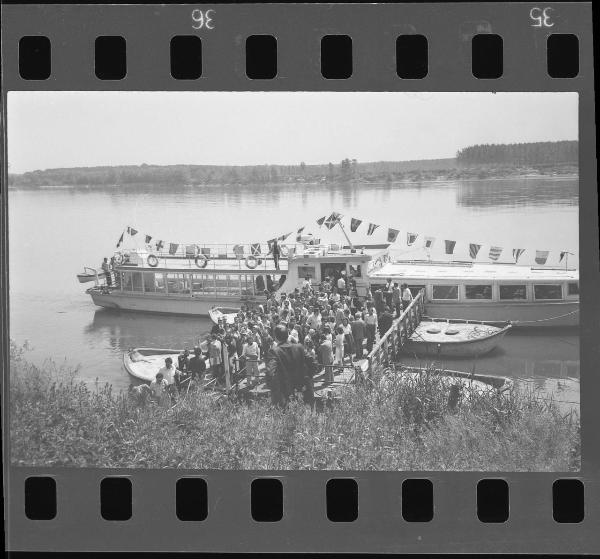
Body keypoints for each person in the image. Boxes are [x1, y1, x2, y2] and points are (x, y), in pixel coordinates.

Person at [265, 324, 317, 408]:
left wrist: (276, 391)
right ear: (288, 335)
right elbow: (313, 364)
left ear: (276, 337)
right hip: (302, 390)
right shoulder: (300, 347)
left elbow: (270, 373)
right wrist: (308, 378)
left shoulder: (274, 351)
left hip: (285, 394)